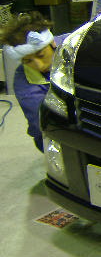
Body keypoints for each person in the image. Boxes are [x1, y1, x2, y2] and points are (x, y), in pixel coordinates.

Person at [0, 12, 68, 152]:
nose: (38, 65)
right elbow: (42, 124)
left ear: (53, 43)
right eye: (28, 61)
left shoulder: (70, 43)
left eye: (41, 55)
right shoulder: (24, 84)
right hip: (58, 131)